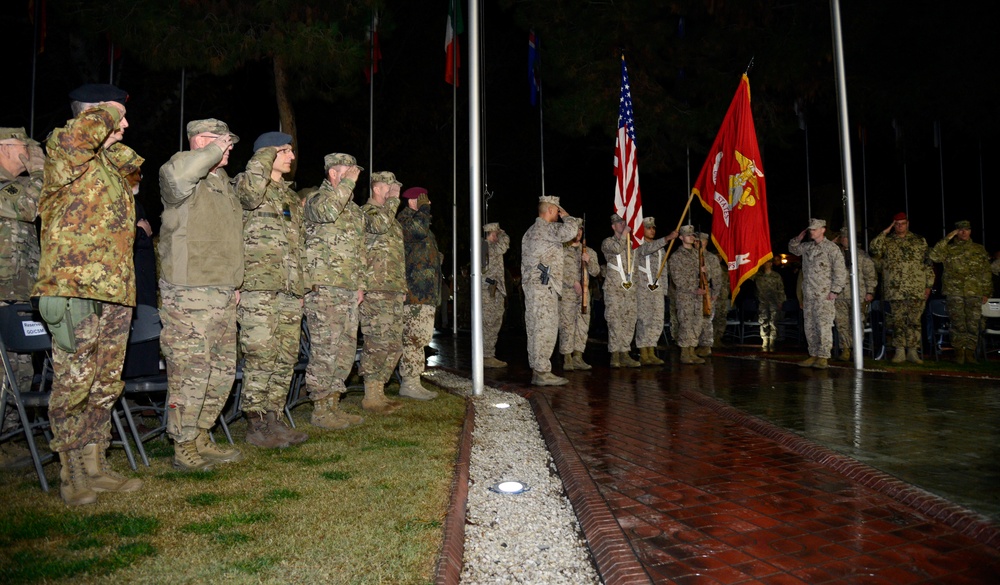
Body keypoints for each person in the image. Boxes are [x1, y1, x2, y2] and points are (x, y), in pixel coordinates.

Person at [33, 84, 144, 505]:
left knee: (104, 384)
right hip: (75, 287)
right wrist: (106, 114)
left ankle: (96, 464)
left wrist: (115, 138)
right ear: (94, 115)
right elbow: (82, 137)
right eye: (118, 114)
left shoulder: (109, 164)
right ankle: (71, 470)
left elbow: (133, 175)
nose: (125, 123)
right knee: (74, 383)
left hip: (116, 288)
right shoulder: (65, 147)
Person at [158, 118, 245, 468]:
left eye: (229, 143)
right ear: (199, 141)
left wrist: (235, 283)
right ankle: (182, 443)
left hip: (222, 291)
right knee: (190, 371)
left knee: (222, 370)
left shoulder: (221, 181)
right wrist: (211, 150)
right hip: (188, 292)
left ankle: (201, 433)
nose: (228, 148)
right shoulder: (178, 167)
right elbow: (179, 181)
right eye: (221, 141)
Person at [235, 131, 308, 448]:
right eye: (285, 151)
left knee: (284, 357)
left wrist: (303, 285)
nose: (291, 157)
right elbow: (250, 196)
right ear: (267, 154)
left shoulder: (290, 197)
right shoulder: (248, 183)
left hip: (290, 289)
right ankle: (255, 425)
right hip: (258, 287)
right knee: (260, 355)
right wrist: (263, 155)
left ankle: (274, 419)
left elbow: (299, 245)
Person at [301, 153, 367, 429]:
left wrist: (361, 284)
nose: (353, 177)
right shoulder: (318, 200)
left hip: (350, 289)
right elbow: (328, 212)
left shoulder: (353, 210)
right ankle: (320, 408)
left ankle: (333, 404)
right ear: (332, 174)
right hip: (325, 288)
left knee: (344, 350)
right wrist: (348, 184)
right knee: (325, 349)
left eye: (354, 173)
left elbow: (360, 250)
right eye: (347, 172)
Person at [359, 172, 406, 413]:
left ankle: (380, 390)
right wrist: (393, 201)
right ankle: (370, 394)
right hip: (376, 288)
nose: (394, 191)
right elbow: (379, 226)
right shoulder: (369, 213)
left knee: (394, 344)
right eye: (389, 187)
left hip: (393, 289)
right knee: (377, 341)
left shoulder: (391, 218)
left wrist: (402, 287)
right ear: (377, 189)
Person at [0, 127, 43, 399]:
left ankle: (10, 434)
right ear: (3, 148)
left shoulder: (18, 187)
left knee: (21, 373)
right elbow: (30, 206)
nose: (29, 152)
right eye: (23, 146)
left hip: (20, 295)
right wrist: (39, 170)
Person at [521, 195, 581, 385]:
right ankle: (542, 372)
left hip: (535, 287)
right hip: (543, 288)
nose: (559, 213)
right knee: (545, 329)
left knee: (535, 328)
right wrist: (568, 216)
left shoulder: (531, 231)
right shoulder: (546, 228)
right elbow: (571, 231)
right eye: (557, 210)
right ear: (550, 211)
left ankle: (538, 369)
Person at [869, 212, 934, 364]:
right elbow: (873, 249)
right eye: (897, 224)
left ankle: (912, 351)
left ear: (908, 223)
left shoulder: (919, 241)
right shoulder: (887, 241)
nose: (900, 226)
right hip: (895, 289)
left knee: (914, 321)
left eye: (902, 223)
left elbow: (927, 264)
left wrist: (928, 285)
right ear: (893, 225)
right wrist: (886, 231)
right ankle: (899, 351)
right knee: (897, 321)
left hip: (916, 288)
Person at [397, 186, 442, 400]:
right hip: (413, 292)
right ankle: (409, 382)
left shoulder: (421, 223)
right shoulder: (406, 220)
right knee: (412, 338)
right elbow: (418, 231)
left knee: (420, 338)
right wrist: (423, 211)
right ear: (413, 201)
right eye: (424, 200)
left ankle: (415, 380)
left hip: (425, 293)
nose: (428, 204)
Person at [929, 220, 992, 363]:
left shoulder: (979, 249)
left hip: (974, 291)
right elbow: (934, 256)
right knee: (958, 322)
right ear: (956, 232)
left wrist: (987, 291)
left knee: (973, 323)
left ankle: (970, 352)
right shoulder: (949, 249)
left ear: (970, 231)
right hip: (954, 291)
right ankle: (959, 352)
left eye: (967, 229)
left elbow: (986, 272)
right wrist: (947, 238)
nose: (964, 232)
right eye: (961, 230)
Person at [788, 219, 847, 369]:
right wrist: (798, 238)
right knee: (809, 325)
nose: (812, 231)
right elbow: (793, 249)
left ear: (823, 230)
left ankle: (823, 356)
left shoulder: (831, 248)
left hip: (824, 294)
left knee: (823, 324)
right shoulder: (807, 247)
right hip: (809, 294)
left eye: (815, 229)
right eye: (810, 229)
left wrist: (835, 290)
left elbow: (840, 271)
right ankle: (813, 354)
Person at [668, 225, 718, 364]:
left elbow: (707, 275)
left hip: (699, 295)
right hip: (686, 296)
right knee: (686, 323)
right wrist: (693, 288)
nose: (691, 237)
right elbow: (677, 278)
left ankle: (692, 350)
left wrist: (704, 273)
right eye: (688, 235)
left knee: (697, 323)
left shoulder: (698, 255)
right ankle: (685, 353)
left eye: (692, 235)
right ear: (681, 237)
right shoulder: (677, 256)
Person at [634, 217, 677, 365]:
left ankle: (651, 350)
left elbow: (663, 269)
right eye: (648, 228)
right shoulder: (638, 245)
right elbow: (646, 250)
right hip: (643, 289)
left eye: (653, 228)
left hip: (657, 289)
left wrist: (664, 289)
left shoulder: (661, 248)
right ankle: (643, 352)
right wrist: (667, 238)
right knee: (644, 320)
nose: (652, 230)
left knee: (656, 321)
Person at [601, 214, 640, 367]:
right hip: (614, 289)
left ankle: (625, 352)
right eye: (620, 223)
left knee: (629, 321)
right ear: (613, 226)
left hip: (629, 290)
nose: (623, 224)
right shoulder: (608, 242)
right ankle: (615, 354)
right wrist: (624, 234)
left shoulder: (631, 246)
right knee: (614, 320)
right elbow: (617, 249)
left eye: (624, 222)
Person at [559, 224, 599, 370]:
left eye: (581, 229)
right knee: (567, 325)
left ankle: (578, 356)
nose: (579, 232)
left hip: (584, 295)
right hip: (568, 294)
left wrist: (589, 260)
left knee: (582, 325)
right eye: (576, 229)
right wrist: (572, 282)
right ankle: (567, 357)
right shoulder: (561, 250)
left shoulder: (589, 251)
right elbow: (557, 271)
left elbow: (596, 272)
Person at [832, 229, 877, 361]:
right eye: (843, 237)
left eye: (847, 237)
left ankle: (856, 348)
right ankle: (845, 349)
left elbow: (870, 275)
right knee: (842, 323)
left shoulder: (862, 256)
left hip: (858, 294)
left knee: (857, 322)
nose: (845, 239)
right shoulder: (835, 255)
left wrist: (870, 291)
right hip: (840, 295)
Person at [481, 223, 509, 368]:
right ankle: (487, 356)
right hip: (488, 292)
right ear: (493, 233)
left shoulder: (485, 247)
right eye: (496, 233)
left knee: (492, 322)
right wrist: (503, 234)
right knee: (490, 323)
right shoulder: (488, 246)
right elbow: (504, 246)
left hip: (493, 290)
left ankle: (486, 354)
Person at [696, 232, 726, 356]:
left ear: (706, 242)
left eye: (701, 240)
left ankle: (706, 346)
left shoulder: (711, 258)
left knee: (706, 320)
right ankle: (693, 345)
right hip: (692, 293)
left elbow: (717, 278)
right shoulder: (691, 255)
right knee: (693, 320)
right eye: (696, 240)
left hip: (707, 292)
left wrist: (715, 293)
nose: (697, 242)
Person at [754, 259, 786, 351]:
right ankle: (765, 339)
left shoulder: (776, 276)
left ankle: (772, 340)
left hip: (774, 302)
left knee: (773, 321)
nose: (766, 264)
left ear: (771, 264)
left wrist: (781, 301)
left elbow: (781, 289)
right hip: (763, 302)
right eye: (765, 262)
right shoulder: (758, 275)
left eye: (768, 262)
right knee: (763, 321)